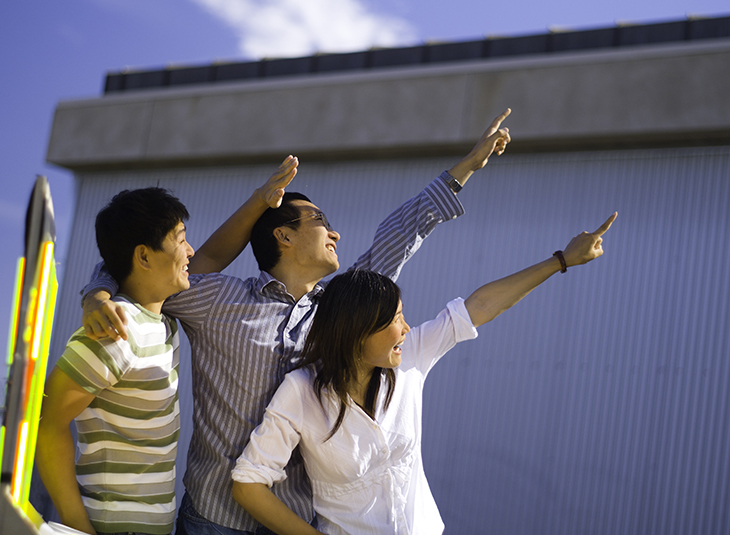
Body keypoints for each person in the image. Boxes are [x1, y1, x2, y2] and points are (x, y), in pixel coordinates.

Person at [80, 110, 513, 535]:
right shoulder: (216, 297)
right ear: (283, 236)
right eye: (320, 221)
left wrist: (464, 169)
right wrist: (96, 295)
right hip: (212, 518)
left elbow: (398, 237)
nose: (335, 234)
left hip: (296, 522)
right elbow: (138, 265)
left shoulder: (340, 310)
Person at [231, 212, 617, 535]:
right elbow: (248, 484)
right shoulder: (301, 392)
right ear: (357, 330)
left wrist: (561, 260)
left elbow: (480, 305)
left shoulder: (412, 356)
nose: (406, 329)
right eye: (395, 319)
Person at [36, 188, 195, 535]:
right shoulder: (115, 330)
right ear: (144, 256)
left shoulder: (163, 319)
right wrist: (78, 527)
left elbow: (212, 256)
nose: (191, 251)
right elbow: (46, 422)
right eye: (181, 240)